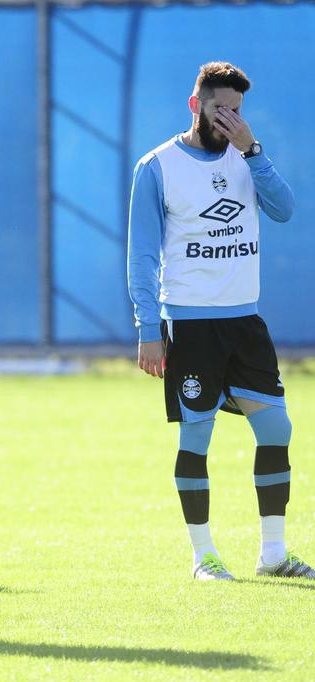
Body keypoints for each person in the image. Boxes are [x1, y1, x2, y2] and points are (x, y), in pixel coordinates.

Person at [127, 62, 312, 581]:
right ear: (195, 106)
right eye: (218, 108)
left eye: (236, 110)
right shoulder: (157, 166)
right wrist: (148, 329)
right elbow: (141, 256)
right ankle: (203, 558)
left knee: (276, 426)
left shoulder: (247, 157)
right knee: (196, 437)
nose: (228, 119)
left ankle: (273, 554)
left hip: (245, 321)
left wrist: (254, 151)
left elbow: (285, 210)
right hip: (191, 325)